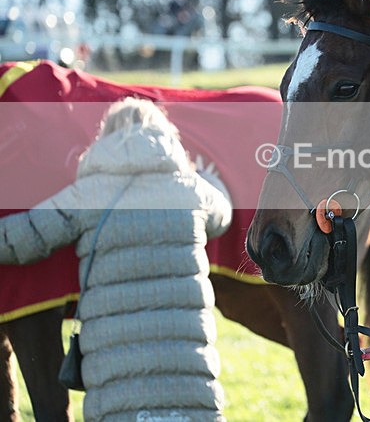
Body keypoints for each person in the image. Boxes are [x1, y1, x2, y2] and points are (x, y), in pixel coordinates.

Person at [0, 97, 232, 421]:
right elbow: (223, 213)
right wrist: (211, 178)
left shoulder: (88, 193)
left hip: (117, 388)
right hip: (191, 384)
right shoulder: (191, 189)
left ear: (105, 136)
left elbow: (23, 238)